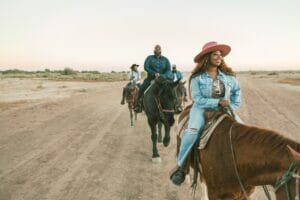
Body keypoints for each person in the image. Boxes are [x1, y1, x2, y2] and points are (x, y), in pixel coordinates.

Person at [170, 41, 242, 185]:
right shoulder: (197, 78)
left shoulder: (228, 77)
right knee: (192, 131)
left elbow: (236, 92)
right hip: (201, 109)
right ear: (207, 57)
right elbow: (197, 99)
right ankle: (181, 166)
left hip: (224, 109)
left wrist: (232, 105)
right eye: (215, 54)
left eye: (220, 55)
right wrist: (217, 103)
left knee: (243, 130)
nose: (219, 57)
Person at [134, 44, 172, 112]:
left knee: (172, 89)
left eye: (159, 49)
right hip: (150, 78)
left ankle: (175, 105)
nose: (157, 50)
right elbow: (146, 67)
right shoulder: (149, 58)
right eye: (156, 49)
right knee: (142, 88)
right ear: (154, 50)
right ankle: (138, 104)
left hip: (162, 79)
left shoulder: (165, 59)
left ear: (161, 50)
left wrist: (162, 75)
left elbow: (168, 70)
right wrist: (154, 73)